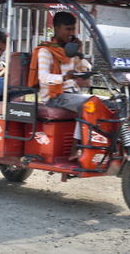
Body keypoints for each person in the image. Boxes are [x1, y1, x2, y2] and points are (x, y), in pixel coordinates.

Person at [28, 11, 92, 162]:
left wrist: (79, 53)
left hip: (73, 94)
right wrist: (64, 77)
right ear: (56, 28)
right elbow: (42, 77)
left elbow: (86, 70)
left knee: (109, 104)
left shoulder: (70, 50)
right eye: (67, 29)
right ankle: (76, 148)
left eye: (73, 29)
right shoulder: (46, 51)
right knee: (90, 105)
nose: (71, 33)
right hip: (54, 97)